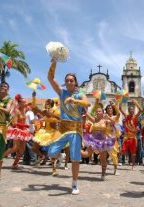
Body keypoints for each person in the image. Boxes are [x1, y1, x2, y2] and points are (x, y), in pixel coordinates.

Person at [47, 59, 89, 195]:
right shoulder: (62, 92)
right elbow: (50, 78)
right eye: (67, 80)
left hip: (76, 129)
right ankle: (61, 156)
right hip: (63, 128)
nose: (70, 82)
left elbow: (87, 104)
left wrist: (74, 100)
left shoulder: (80, 94)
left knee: (75, 158)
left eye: (72, 80)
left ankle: (75, 183)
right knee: (51, 152)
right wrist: (54, 63)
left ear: (76, 82)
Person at [84, 103, 116, 180]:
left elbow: (114, 122)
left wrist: (108, 117)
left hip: (102, 142)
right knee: (86, 154)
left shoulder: (106, 120)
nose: (97, 112)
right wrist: (83, 105)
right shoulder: (94, 119)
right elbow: (86, 113)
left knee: (102, 159)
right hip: (93, 140)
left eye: (99, 111)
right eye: (97, 111)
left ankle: (103, 174)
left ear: (102, 112)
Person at [4, 94, 33, 168]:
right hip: (17, 131)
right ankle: (0, 156)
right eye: (24, 102)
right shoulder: (16, 111)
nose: (26, 103)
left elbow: (32, 105)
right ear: (20, 103)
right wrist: (24, 126)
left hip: (23, 132)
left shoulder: (24, 109)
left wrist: (33, 96)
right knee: (15, 148)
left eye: (25, 102)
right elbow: (14, 123)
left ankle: (15, 163)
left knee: (22, 150)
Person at [119, 99, 143, 170]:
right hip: (126, 137)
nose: (131, 110)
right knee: (122, 150)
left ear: (134, 110)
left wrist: (136, 103)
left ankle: (133, 165)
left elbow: (141, 110)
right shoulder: (126, 116)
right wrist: (121, 100)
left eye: (132, 109)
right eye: (130, 109)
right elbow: (120, 108)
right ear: (128, 110)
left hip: (133, 137)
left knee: (133, 152)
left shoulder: (135, 117)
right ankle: (117, 161)